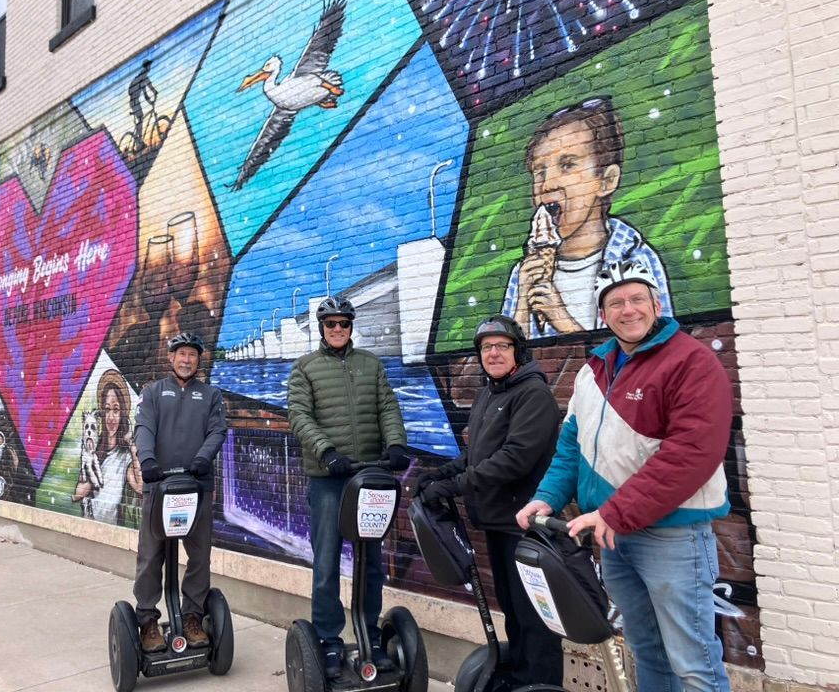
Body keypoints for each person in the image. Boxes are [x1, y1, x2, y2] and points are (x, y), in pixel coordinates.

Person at [516, 260, 732, 692]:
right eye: (616, 302)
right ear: (603, 314)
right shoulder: (593, 370)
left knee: (693, 662)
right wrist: (547, 497)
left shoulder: (691, 362)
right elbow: (572, 446)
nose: (628, 309)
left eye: (637, 299)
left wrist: (615, 513)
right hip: (614, 537)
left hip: (672, 538)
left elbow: (691, 453)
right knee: (646, 649)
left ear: (656, 305)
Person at [415, 315, 564, 687]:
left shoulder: (533, 395)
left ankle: (540, 685)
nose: (493, 353)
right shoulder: (490, 393)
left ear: (518, 351)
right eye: (486, 347)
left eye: (502, 346)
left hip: (526, 530)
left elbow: (514, 459)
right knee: (513, 615)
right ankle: (521, 681)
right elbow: (476, 454)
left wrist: (455, 487)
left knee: (535, 623)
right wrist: (441, 473)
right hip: (498, 524)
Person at [287, 297, 412, 678]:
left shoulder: (371, 364)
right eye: (331, 324)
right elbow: (299, 415)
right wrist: (327, 451)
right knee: (326, 562)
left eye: (344, 323)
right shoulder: (305, 368)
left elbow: (387, 407)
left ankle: (370, 634)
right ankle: (328, 639)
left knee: (371, 562)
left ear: (351, 326)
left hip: (368, 476)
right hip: (328, 479)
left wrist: (396, 444)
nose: (338, 329)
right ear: (322, 328)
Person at [501, 97, 672, 338]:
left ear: (606, 181)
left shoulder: (634, 259)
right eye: (540, 172)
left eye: (567, 165)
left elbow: (655, 350)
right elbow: (511, 355)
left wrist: (562, 320)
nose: (547, 184)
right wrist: (522, 303)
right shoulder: (523, 272)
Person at [133, 332, 227, 653]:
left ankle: (192, 616)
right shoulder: (153, 392)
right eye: (181, 354)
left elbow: (217, 430)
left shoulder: (211, 395)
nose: (186, 360)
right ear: (171, 357)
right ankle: (147, 619)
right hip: (159, 486)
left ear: (199, 360)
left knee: (199, 555)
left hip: (197, 486)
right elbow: (144, 428)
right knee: (151, 555)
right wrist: (147, 460)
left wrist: (203, 458)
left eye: (192, 355)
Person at [72, 369, 143, 525]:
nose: (111, 417)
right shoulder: (94, 451)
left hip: (112, 527)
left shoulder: (125, 457)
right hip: (89, 525)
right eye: (107, 409)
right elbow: (78, 493)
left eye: (116, 410)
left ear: (122, 413)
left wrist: (132, 445)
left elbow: (140, 486)